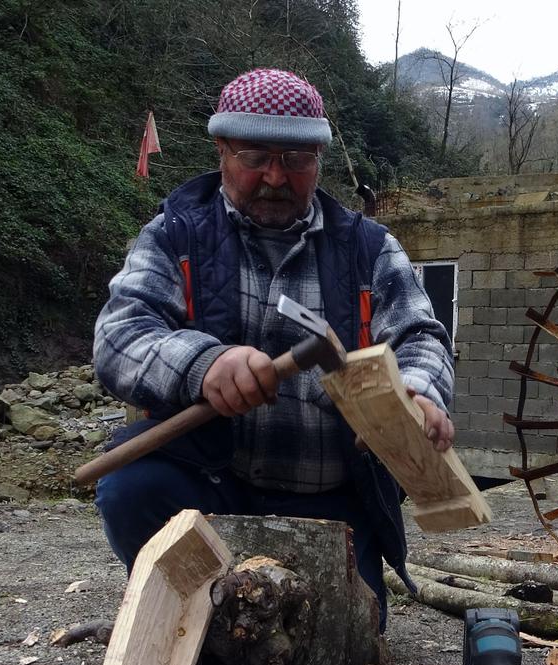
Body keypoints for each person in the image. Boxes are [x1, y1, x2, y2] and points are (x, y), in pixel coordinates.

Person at [91, 68, 453, 627]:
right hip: (211, 487)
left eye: (298, 160)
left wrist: (416, 394)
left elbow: (419, 337)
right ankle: (202, 617)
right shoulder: (176, 235)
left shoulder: (369, 248)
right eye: (256, 156)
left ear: (319, 160)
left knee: (350, 636)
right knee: (130, 489)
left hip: (328, 503)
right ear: (221, 149)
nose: (276, 177)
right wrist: (203, 363)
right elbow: (120, 334)